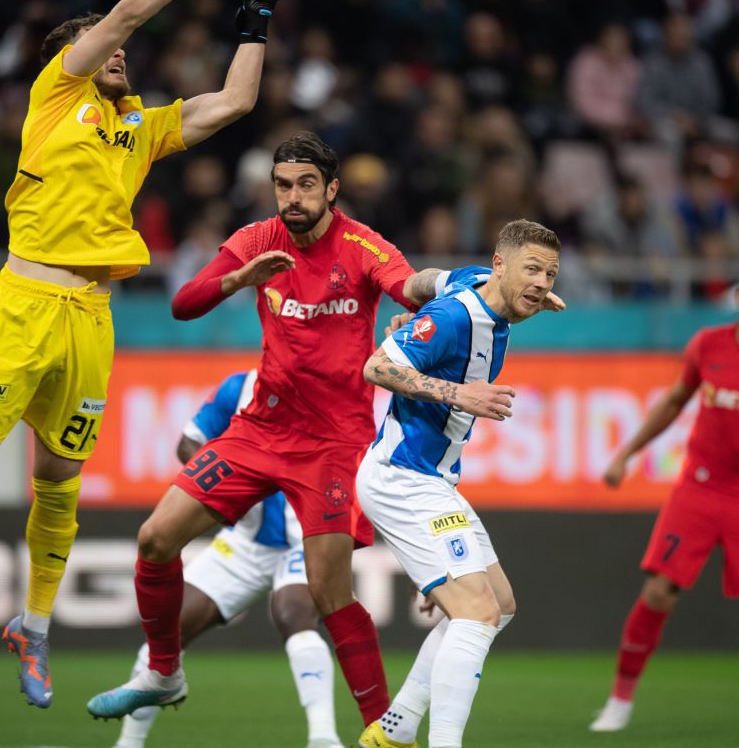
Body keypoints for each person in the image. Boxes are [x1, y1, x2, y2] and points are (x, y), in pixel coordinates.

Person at [0, 0, 292, 708]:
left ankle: (33, 630)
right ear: (73, 55)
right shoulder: (54, 93)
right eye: (105, 45)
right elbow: (128, 14)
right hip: (22, 305)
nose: (122, 53)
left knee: (61, 482)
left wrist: (258, 15)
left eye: (122, 52)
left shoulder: (138, 123)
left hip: (91, 316)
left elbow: (233, 103)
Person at [86, 131, 448, 737]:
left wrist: (449, 285)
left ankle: (384, 733)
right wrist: (238, 278)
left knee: (329, 596)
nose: (293, 197)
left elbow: (406, 286)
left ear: (332, 189)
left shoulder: (361, 245)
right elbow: (183, 303)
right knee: (154, 539)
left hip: (333, 445)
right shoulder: (259, 241)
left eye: (307, 184)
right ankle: (165, 673)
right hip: (261, 431)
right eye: (283, 185)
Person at [589, 258, 739, 732]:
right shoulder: (708, 345)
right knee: (657, 591)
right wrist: (626, 454)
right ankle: (619, 701)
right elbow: (673, 402)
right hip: (699, 488)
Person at [356, 221, 563, 748]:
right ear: (499, 263)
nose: (540, 283)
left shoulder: (473, 282)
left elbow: (429, 278)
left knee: (500, 606)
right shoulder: (454, 317)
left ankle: (396, 727)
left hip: (434, 482)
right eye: (531, 269)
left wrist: (413, 304)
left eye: (550, 274)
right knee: (476, 614)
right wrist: (456, 392)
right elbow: (377, 367)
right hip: (403, 478)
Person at [114, 369, 345, 748]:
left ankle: (324, 738)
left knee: (293, 612)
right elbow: (188, 444)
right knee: (173, 625)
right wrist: (233, 493)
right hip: (245, 539)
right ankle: (128, 743)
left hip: (307, 538)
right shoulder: (240, 387)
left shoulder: (333, 387)